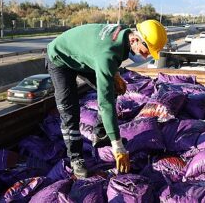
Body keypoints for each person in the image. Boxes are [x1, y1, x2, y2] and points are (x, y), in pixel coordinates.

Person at [45, 20, 167, 178]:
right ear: (135, 39)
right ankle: (76, 158)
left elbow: (103, 52)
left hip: (85, 55)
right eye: (147, 49)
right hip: (60, 59)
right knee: (70, 111)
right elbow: (105, 103)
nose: (147, 55)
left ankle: (101, 134)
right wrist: (118, 145)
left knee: (114, 88)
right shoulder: (107, 54)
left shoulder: (123, 34)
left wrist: (114, 74)